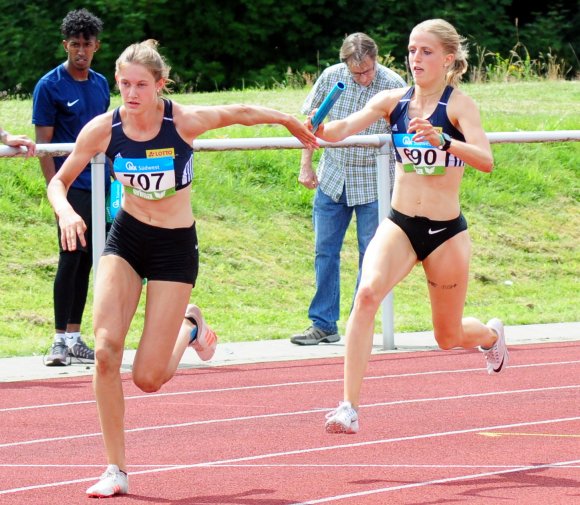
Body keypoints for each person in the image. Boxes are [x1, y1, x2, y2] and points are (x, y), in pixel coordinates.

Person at [47, 39, 318, 497]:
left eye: (141, 85)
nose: (131, 94)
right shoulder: (104, 128)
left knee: (149, 379)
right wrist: (67, 212)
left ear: (160, 86)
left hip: (174, 248)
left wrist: (287, 119)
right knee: (107, 350)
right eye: (124, 84)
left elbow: (240, 111)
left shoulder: (182, 121)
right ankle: (116, 468)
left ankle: (190, 328)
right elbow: (60, 179)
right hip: (127, 239)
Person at [313, 19, 509, 434]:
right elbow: (339, 131)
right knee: (366, 294)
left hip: (445, 234)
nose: (415, 59)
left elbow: (487, 160)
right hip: (400, 224)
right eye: (411, 50)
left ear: (448, 59)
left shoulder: (459, 106)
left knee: (448, 336)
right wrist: (314, 128)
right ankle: (348, 406)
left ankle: (490, 337)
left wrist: (443, 141)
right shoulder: (393, 100)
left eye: (426, 52)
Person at [291, 33, 405, 346]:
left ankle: (360, 323)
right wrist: (306, 165)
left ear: (376, 59)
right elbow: (310, 124)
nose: (364, 78)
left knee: (370, 256)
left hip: (374, 181)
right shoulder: (331, 77)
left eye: (368, 70)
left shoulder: (394, 84)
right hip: (333, 178)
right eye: (357, 73)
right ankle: (323, 324)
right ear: (345, 65)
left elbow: (404, 137)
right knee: (325, 251)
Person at [32, 9, 110, 366]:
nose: (81, 50)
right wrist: (56, 195)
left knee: (91, 262)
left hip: (101, 187)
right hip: (71, 189)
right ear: (66, 45)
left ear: (96, 46)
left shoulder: (101, 84)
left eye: (87, 44)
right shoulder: (48, 87)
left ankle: (77, 337)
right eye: (75, 44)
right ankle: (58, 341)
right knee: (69, 259)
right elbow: (44, 148)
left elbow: (108, 138)